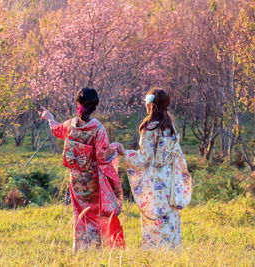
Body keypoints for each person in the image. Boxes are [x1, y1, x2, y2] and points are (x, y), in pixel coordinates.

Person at [41, 87, 125, 251]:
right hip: (92, 180)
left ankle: (79, 248)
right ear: (95, 106)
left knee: (79, 214)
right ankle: (94, 249)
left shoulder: (71, 124)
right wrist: (115, 147)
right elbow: (102, 156)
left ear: (78, 104)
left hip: (76, 178)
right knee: (93, 214)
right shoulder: (98, 129)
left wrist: (49, 118)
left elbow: (56, 130)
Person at [115, 88, 192, 250]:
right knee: (169, 218)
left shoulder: (149, 128)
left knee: (155, 218)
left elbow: (145, 158)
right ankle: (172, 255)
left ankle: (154, 254)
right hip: (170, 179)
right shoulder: (170, 127)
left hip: (155, 180)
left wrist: (124, 153)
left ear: (152, 105)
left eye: (147, 102)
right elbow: (178, 155)